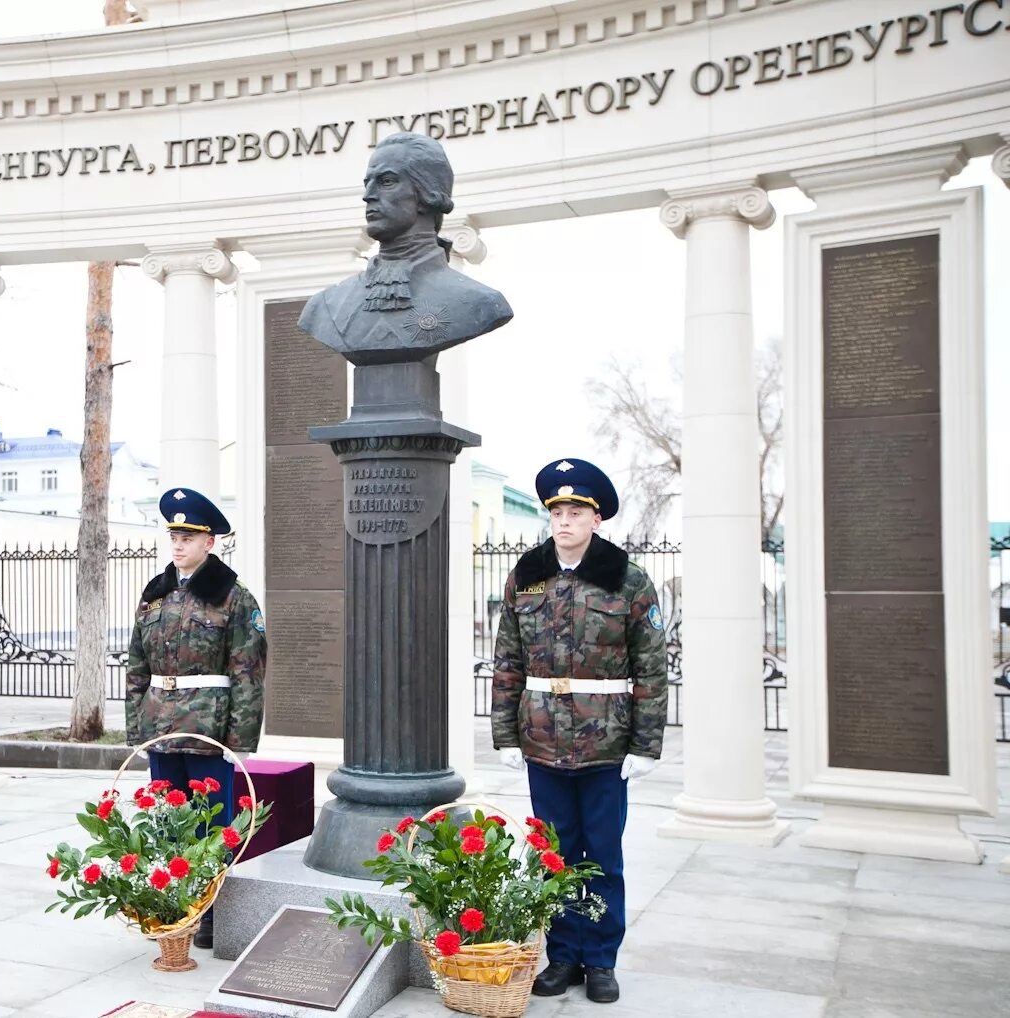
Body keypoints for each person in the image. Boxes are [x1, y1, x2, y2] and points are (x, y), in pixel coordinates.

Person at [490, 459, 667, 1005]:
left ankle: (602, 960)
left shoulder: (627, 578)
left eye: (576, 512)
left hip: (606, 741)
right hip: (542, 738)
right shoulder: (526, 575)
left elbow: (652, 665)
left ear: (596, 520)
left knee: (603, 854)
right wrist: (504, 735)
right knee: (554, 854)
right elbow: (507, 659)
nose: (564, 521)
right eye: (558, 511)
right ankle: (563, 955)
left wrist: (646, 743)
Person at [125, 486, 266, 951]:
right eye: (174, 537)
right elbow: (137, 668)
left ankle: (209, 916)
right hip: (160, 732)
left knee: (211, 827)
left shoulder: (234, 597)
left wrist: (241, 740)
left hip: (209, 732)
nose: (178, 545)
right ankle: (172, 911)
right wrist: (135, 732)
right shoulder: (156, 594)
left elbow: (247, 670)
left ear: (211, 542)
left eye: (189, 537)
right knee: (166, 820)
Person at [298, 131, 511, 366]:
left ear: (428, 193)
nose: (368, 196)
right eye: (367, 184)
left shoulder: (479, 302)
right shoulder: (324, 307)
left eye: (386, 181)